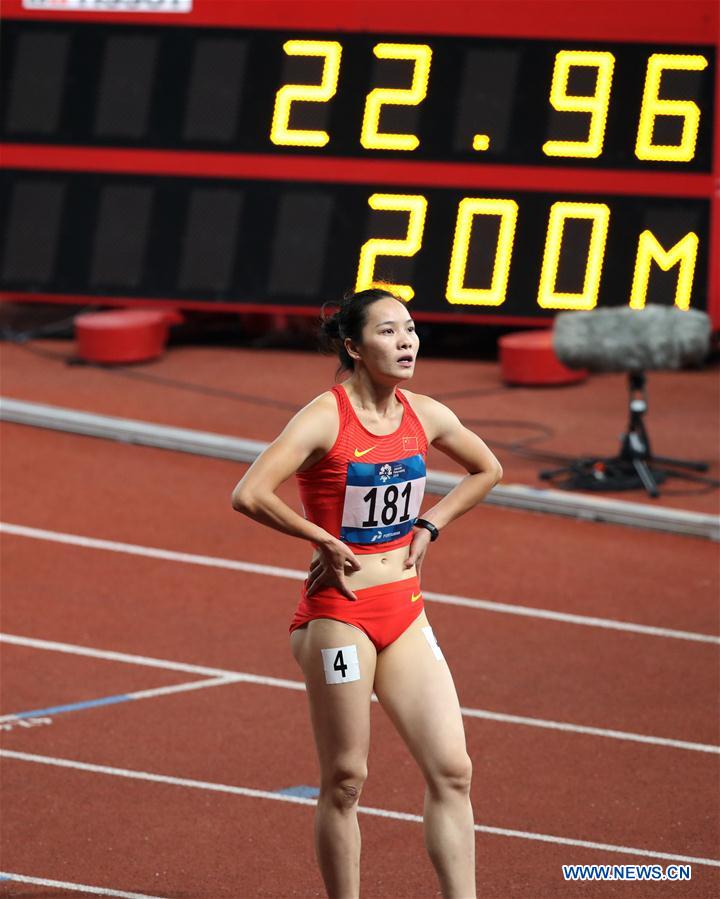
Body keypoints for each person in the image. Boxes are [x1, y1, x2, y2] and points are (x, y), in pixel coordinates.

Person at [231, 287, 502, 898]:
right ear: (353, 346)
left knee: (453, 771)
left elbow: (488, 469)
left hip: (404, 611)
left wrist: (432, 523)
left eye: (410, 329)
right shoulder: (324, 417)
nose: (407, 341)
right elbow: (249, 493)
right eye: (388, 332)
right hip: (339, 618)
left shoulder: (423, 414)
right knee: (347, 778)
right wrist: (320, 538)